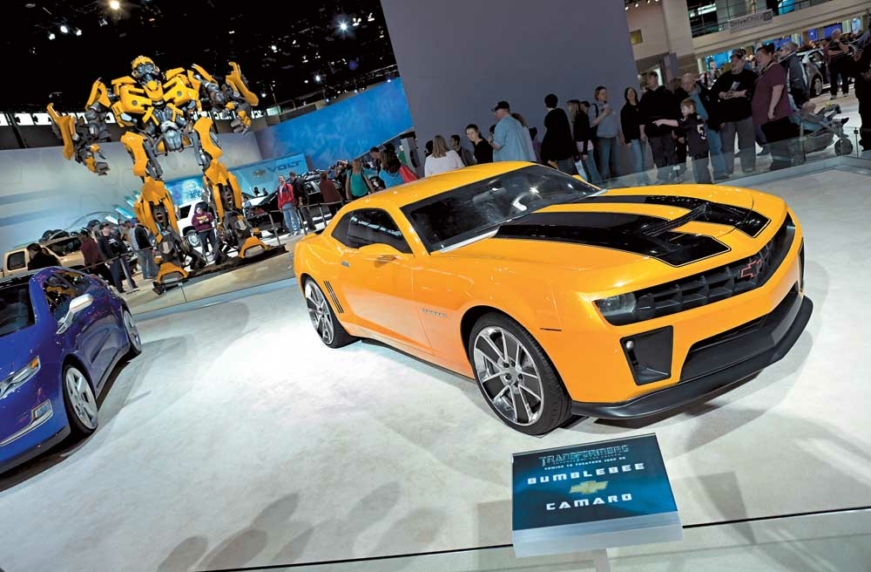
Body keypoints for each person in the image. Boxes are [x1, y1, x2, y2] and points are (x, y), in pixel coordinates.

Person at [711, 49, 758, 175]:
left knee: (747, 142)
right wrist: (722, 94)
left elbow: (756, 91)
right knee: (727, 144)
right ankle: (728, 168)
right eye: (732, 60)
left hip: (745, 115)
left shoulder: (750, 76)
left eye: (736, 61)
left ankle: (748, 166)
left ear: (743, 62)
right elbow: (714, 92)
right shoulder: (724, 77)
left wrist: (741, 94)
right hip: (728, 117)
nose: (733, 63)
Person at [753, 44, 797, 171]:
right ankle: (778, 162)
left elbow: (778, 89)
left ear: (769, 55)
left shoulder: (775, 69)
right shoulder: (766, 71)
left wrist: (771, 108)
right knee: (773, 140)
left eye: (760, 56)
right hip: (767, 116)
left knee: (778, 140)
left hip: (776, 115)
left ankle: (783, 164)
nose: (758, 59)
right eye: (756, 56)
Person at [655, 99, 712, 184]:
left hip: (698, 150)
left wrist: (663, 121)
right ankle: (704, 183)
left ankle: (706, 185)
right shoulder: (697, 116)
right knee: (702, 168)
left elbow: (677, 123)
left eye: (683, 109)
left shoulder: (690, 118)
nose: (681, 111)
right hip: (703, 148)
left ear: (691, 107)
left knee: (701, 170)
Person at [639, 72, 679, 183]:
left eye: (650, 78)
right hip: (653, 131)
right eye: (647, 79)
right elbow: (641, 116)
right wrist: (642, 132)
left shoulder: (667, 93)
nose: (648, 81)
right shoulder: (645, 97)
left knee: (671, 152)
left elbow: (675, 112)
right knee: (658, 154)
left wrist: (675, 129)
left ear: (656, 78)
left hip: (667, 128)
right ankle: (662, 176)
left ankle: (676, 174)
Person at [589, 86, 622, 180]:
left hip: (614, 136)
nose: (605, 95)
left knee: (616, 162)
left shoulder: (609, 106)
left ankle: (619, 182)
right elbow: (592, 123)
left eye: (606, 93)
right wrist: (604, 114)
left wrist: (620, 135)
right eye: (602, 94)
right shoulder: (594, 107)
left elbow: (614, 122)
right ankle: (605, 182)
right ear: (597, 95)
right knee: (604, 163)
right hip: (603, 138)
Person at [567, 99, 602, 184]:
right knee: (587, 169)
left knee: (591, 168)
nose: (568, 108)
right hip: (580, 146)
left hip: (586, 147)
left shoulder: (582, 117)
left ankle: (598, 184)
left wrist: (585, 152)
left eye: (570, 106)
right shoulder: (576, 118)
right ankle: (594, 184)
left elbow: (586, 134)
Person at [620, 87, 650, 185]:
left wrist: (645, 133)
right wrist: (627, 141)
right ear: (626, 96)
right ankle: (640, 181)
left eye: (632, 92)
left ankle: (645, 178)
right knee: (639, 160)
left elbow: (644, 120)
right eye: (628, 93)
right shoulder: (625, 110)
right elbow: (624, 126)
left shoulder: (641, 106)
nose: (631, 94)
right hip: (633, 139)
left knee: (644, 160)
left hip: (642, 136)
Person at [541, 93, 576, 174]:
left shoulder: (549, 117)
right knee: (569, 171)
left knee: (563, 173)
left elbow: (551, 135)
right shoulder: (561, 113)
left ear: (546, 104)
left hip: (558, 152)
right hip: (567, 149)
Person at [98, 224, 137, 293]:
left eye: (107, 227)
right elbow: (101, 251)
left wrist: (126, 253)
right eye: (105, 227)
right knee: (116, 274)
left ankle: (132, 284)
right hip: (113, 258)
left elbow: (122, 244)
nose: (107, 228)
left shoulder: (114, 236)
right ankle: (120, 288)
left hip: (121, 256)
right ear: (102, 230)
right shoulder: (101, 239)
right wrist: (107, 259)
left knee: (127, 271)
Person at [778, 41, 809, 110]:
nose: (779, 53)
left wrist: (800, 100)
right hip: (795, 99)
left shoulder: (792, 63)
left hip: (795, 100)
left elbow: (798, 83)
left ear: (788, 50)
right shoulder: (789, 62)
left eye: (781, 50)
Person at [825, 29, 852, 99]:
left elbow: (846, 50)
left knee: (844, 77)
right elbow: (830, 53)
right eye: (833, 35)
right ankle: (833, 93)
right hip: (834, 62)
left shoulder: (844, 40)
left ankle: (845, 91)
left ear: (839, 34)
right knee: (833, 78)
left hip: (843, 61)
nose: (834, 36)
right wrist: (841, 51)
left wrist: (839, 43)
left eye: (835, 34)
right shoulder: (831, 43)